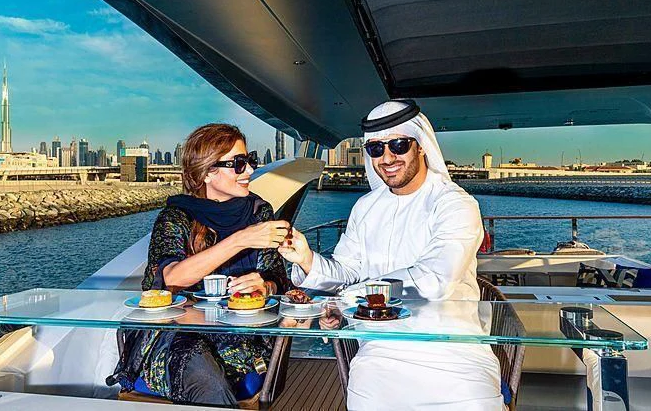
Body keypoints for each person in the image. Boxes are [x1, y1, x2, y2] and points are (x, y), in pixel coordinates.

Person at [279, 100, 504, 410]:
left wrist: (351, 295)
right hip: (379, 351)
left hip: (453, 350)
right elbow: (346, 270)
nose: (387, 158)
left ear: (421, 146)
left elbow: (436, 279)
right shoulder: (366, 208)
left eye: (398, 145)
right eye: (375, 149)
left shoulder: (456, 205)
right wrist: (306, 258)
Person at [108, 123, 290, 406]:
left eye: (250, 160)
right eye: (238, 164)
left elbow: (277, 278)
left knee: (210, 377)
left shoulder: (259, 212)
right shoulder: (176, 216)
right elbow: (170, 278)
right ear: (207, 172)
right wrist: (241, 240)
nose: (250, 171)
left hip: (240, 338)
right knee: (202, 371)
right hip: (175, 335)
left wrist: (264, 286)